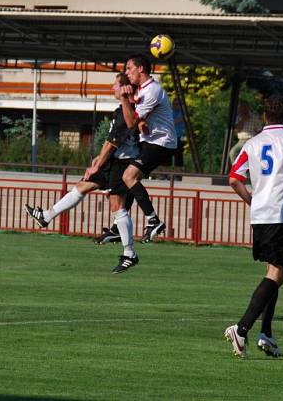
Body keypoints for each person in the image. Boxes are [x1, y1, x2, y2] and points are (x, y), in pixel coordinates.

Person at [224, 94, 283, 360]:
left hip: (260, 214)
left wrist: (250, 199)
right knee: (277, 274)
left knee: (273, 272)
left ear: (264, 116)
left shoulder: (253, 142)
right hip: (281, 214)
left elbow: (234, 179)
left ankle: (267, 334)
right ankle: (241, 329)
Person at [24, 73, 141, 273]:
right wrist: (99, 158)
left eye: (115, 85)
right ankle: (46, 216)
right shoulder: (119, 111)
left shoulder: (125, 112)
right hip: (112, 161)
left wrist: (97, 165)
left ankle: (130, 253)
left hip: (124, 164)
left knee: (117, 206)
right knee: (82, 186)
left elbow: (115, 142)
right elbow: (110, 139)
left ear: (124, 88)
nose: (112, 88)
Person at [120, 54, 177, 244]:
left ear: (140, 69)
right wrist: (141, 121)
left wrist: (123, 99)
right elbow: (139, 119)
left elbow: (130, 122)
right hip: (150, 141)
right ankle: (117, 226)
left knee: (129, 176)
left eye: (129, 68)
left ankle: (153, 220)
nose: (126, 73)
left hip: (161, 143)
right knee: (128, 180)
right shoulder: (142, 90)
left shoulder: (152, 90)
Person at [171, 100, 185, 174]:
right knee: (167, 155)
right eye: (174, 104)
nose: (175, 106)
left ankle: (178, 174)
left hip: (179, 137)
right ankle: (165, 173)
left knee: (178, 156)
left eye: (177, 104)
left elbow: (174, 122)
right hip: (170, 137)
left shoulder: (182, 113)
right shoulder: (170, 112)